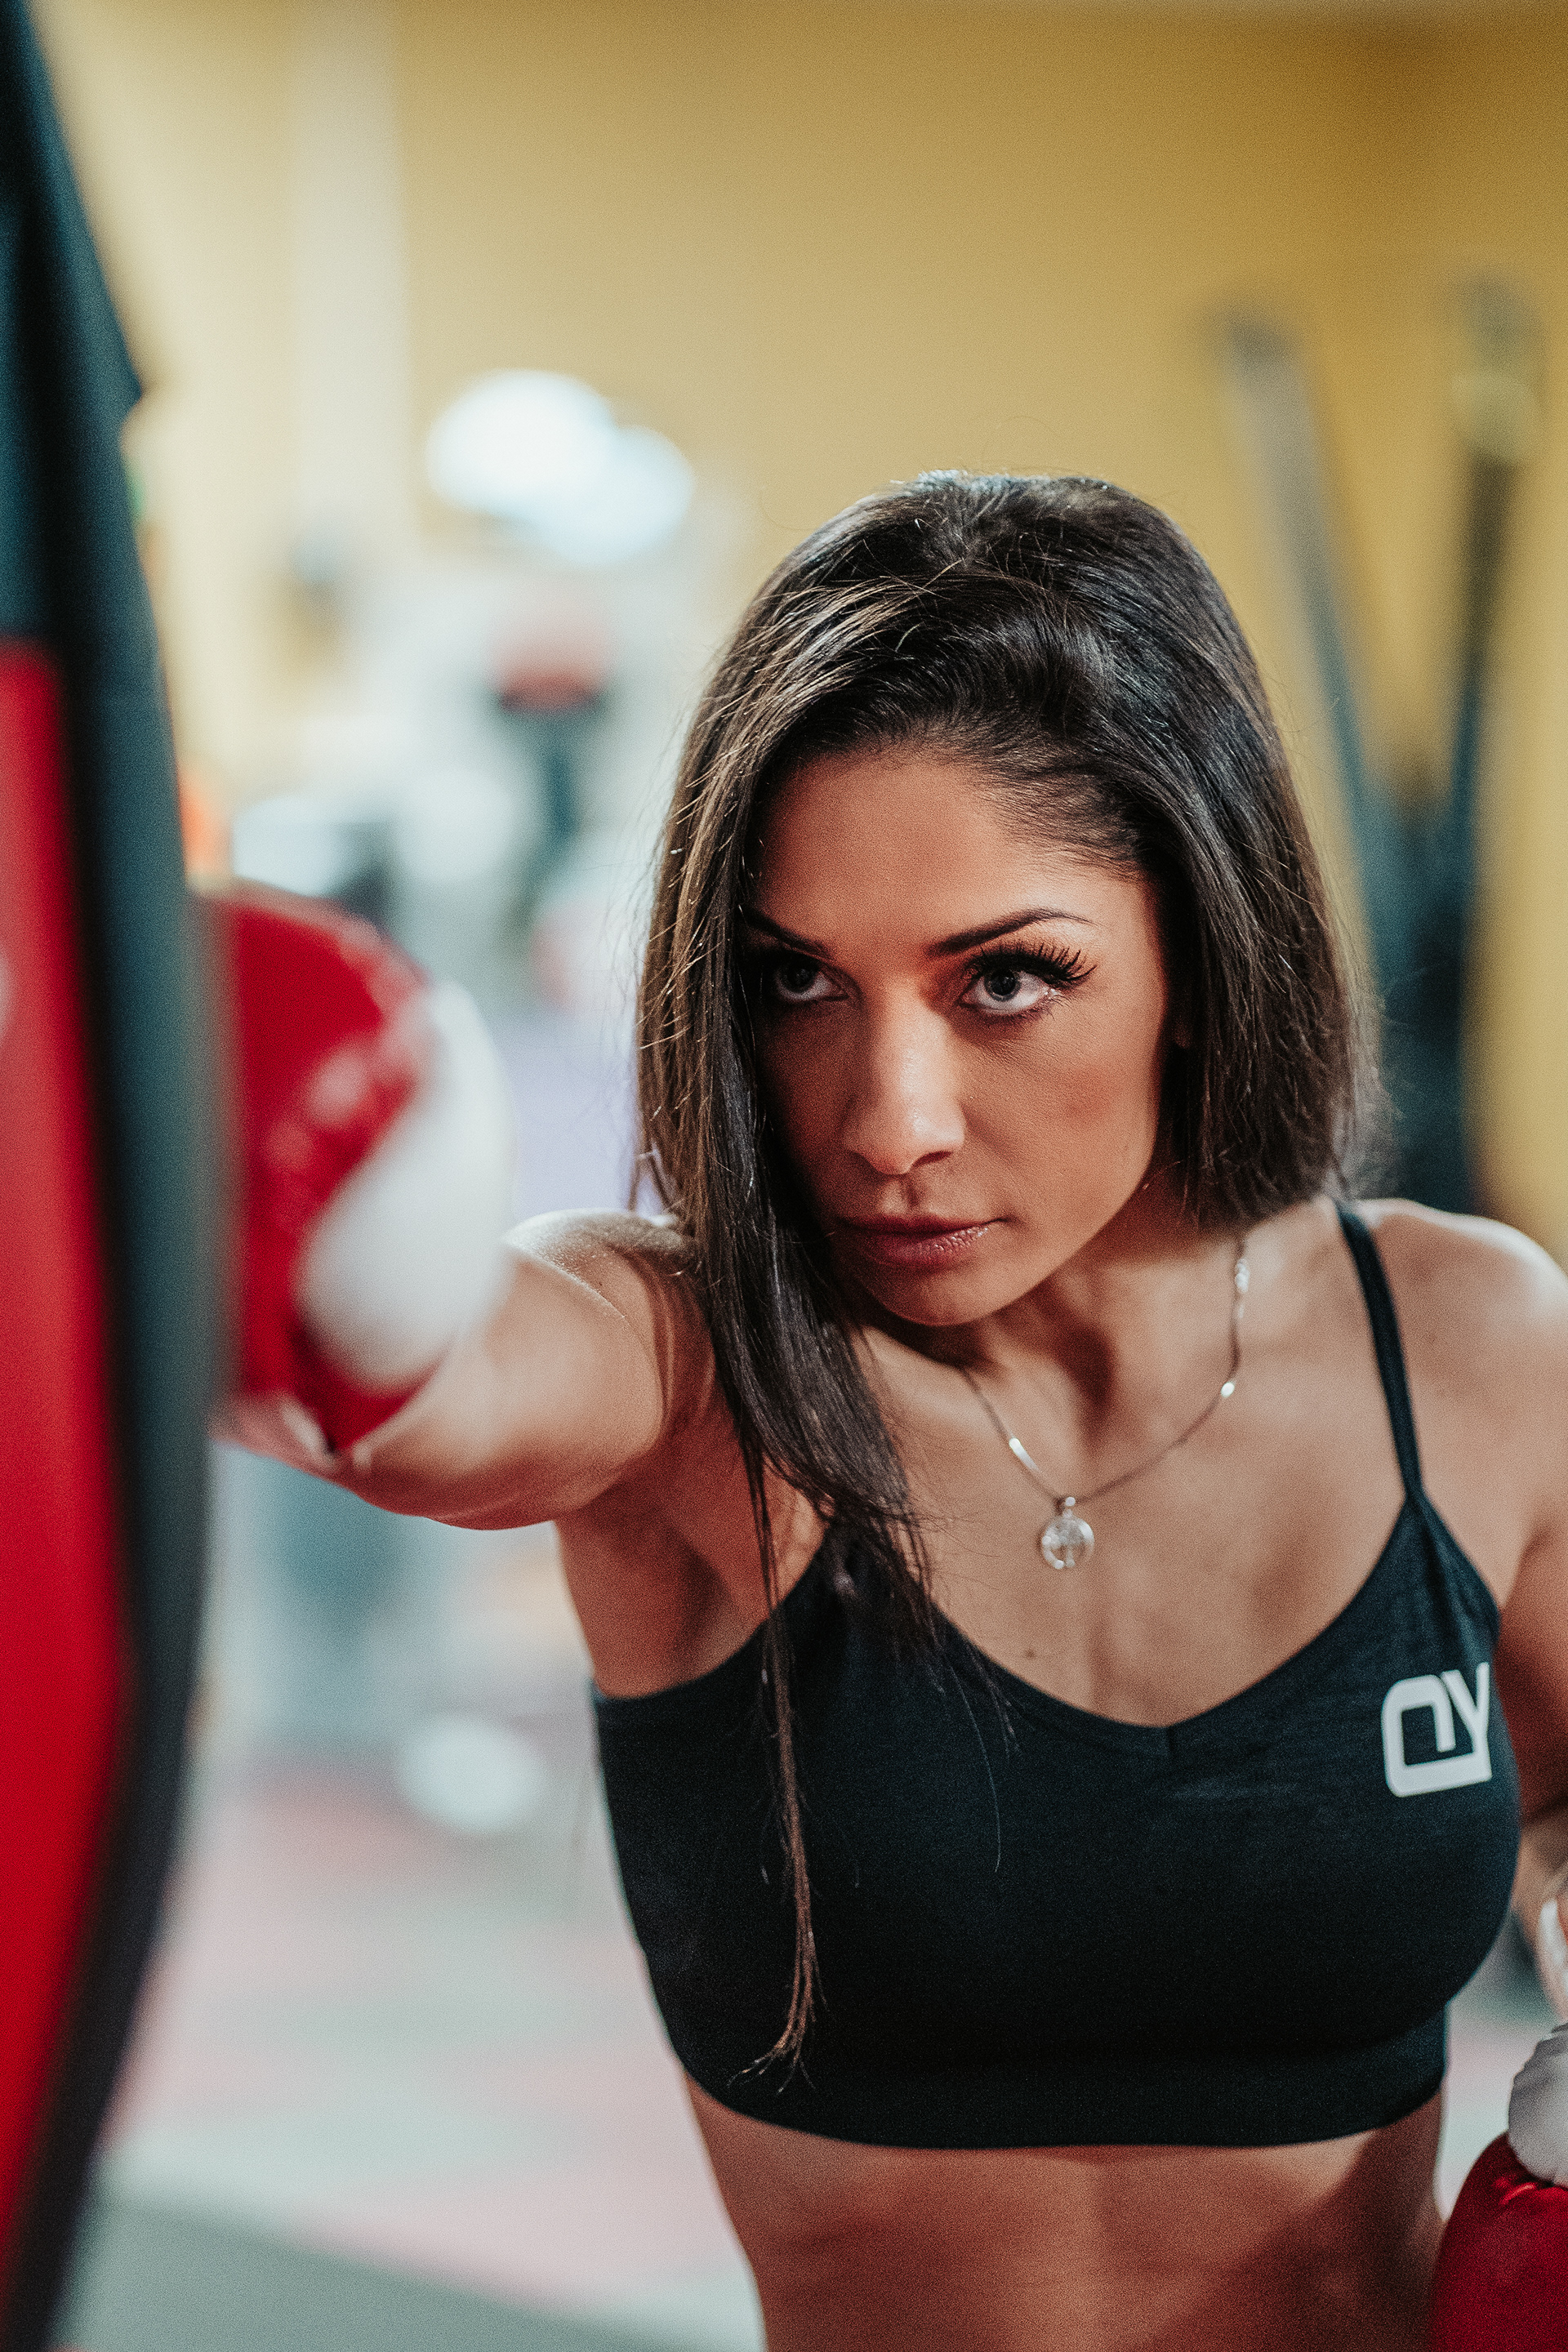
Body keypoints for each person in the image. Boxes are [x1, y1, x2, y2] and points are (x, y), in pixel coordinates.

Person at [229, 474, 1568, 2351]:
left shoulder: (1471, 1348)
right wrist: (243, 1161)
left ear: (1201, 950)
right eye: (797, 983)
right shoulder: (691, 1365)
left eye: (1005, 979)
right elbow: (426, 1384)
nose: (887, 1122)